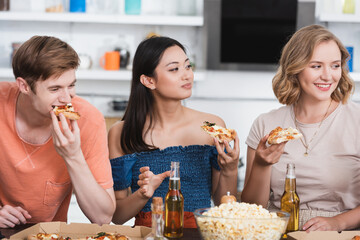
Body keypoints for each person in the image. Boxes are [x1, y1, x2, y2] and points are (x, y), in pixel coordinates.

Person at [109, 36, 240, 228]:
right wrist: (143, 194)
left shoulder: (212, 127)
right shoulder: (120, 133)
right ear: (148, 80)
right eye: (174, 69)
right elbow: (117, 216)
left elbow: (224, 207)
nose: (187, 75)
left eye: (188, 66)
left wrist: (230, 169)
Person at [242, 24, 360, 231]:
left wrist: (338, 222)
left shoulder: (356, 120)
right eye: (316, 66)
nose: (328, 76)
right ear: (294, 69)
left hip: (340, 233)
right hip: (277, 231)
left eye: (335, 65)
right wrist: (261, 164)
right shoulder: (266, 124)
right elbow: (253, 208)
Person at [0, 36, 116, 228]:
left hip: (51, 234)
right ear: (24, 86)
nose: (66, 99)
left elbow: (102, 218)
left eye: (71, 85)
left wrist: (73, 156)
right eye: (55, 89)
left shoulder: (88, 120)